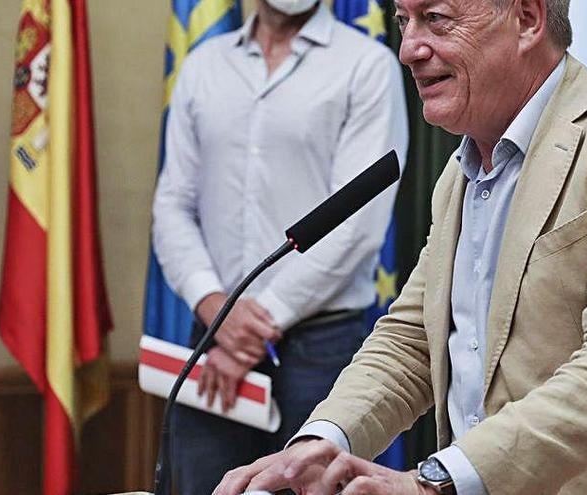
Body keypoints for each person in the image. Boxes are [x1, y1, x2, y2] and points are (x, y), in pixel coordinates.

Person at [213, 0, 587, 493]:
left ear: (526, 18)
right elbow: (415, 343)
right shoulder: (461, 171)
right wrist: (322, 442)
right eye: (404, 20)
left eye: (437, 19)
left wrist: (434, 481)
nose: (408, 49)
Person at [150, 0, 408, 493]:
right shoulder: (205, 64)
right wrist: (214, 306)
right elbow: (172, 205)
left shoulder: (367, 64)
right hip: (211, 341)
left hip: (322, 350)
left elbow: (356, 223)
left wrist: (254, 321)